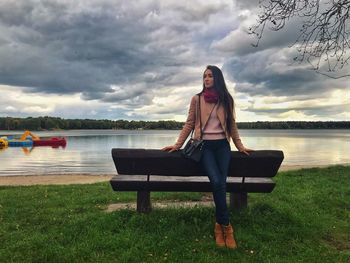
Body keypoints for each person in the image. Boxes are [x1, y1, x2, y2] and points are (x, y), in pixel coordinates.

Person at [162, 65, 254, 249]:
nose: (206, 79)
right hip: (204, 147)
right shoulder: (197, 99)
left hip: (222, 147)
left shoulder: (226, 99)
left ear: (217, 78)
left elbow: (232, 125)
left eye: (210, 76)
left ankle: (219, 224)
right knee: (217, 182)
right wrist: (178, 145)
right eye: (205, 76)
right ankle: (226, 227)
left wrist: (239, 145)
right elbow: (189, 124)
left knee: (221, 182)